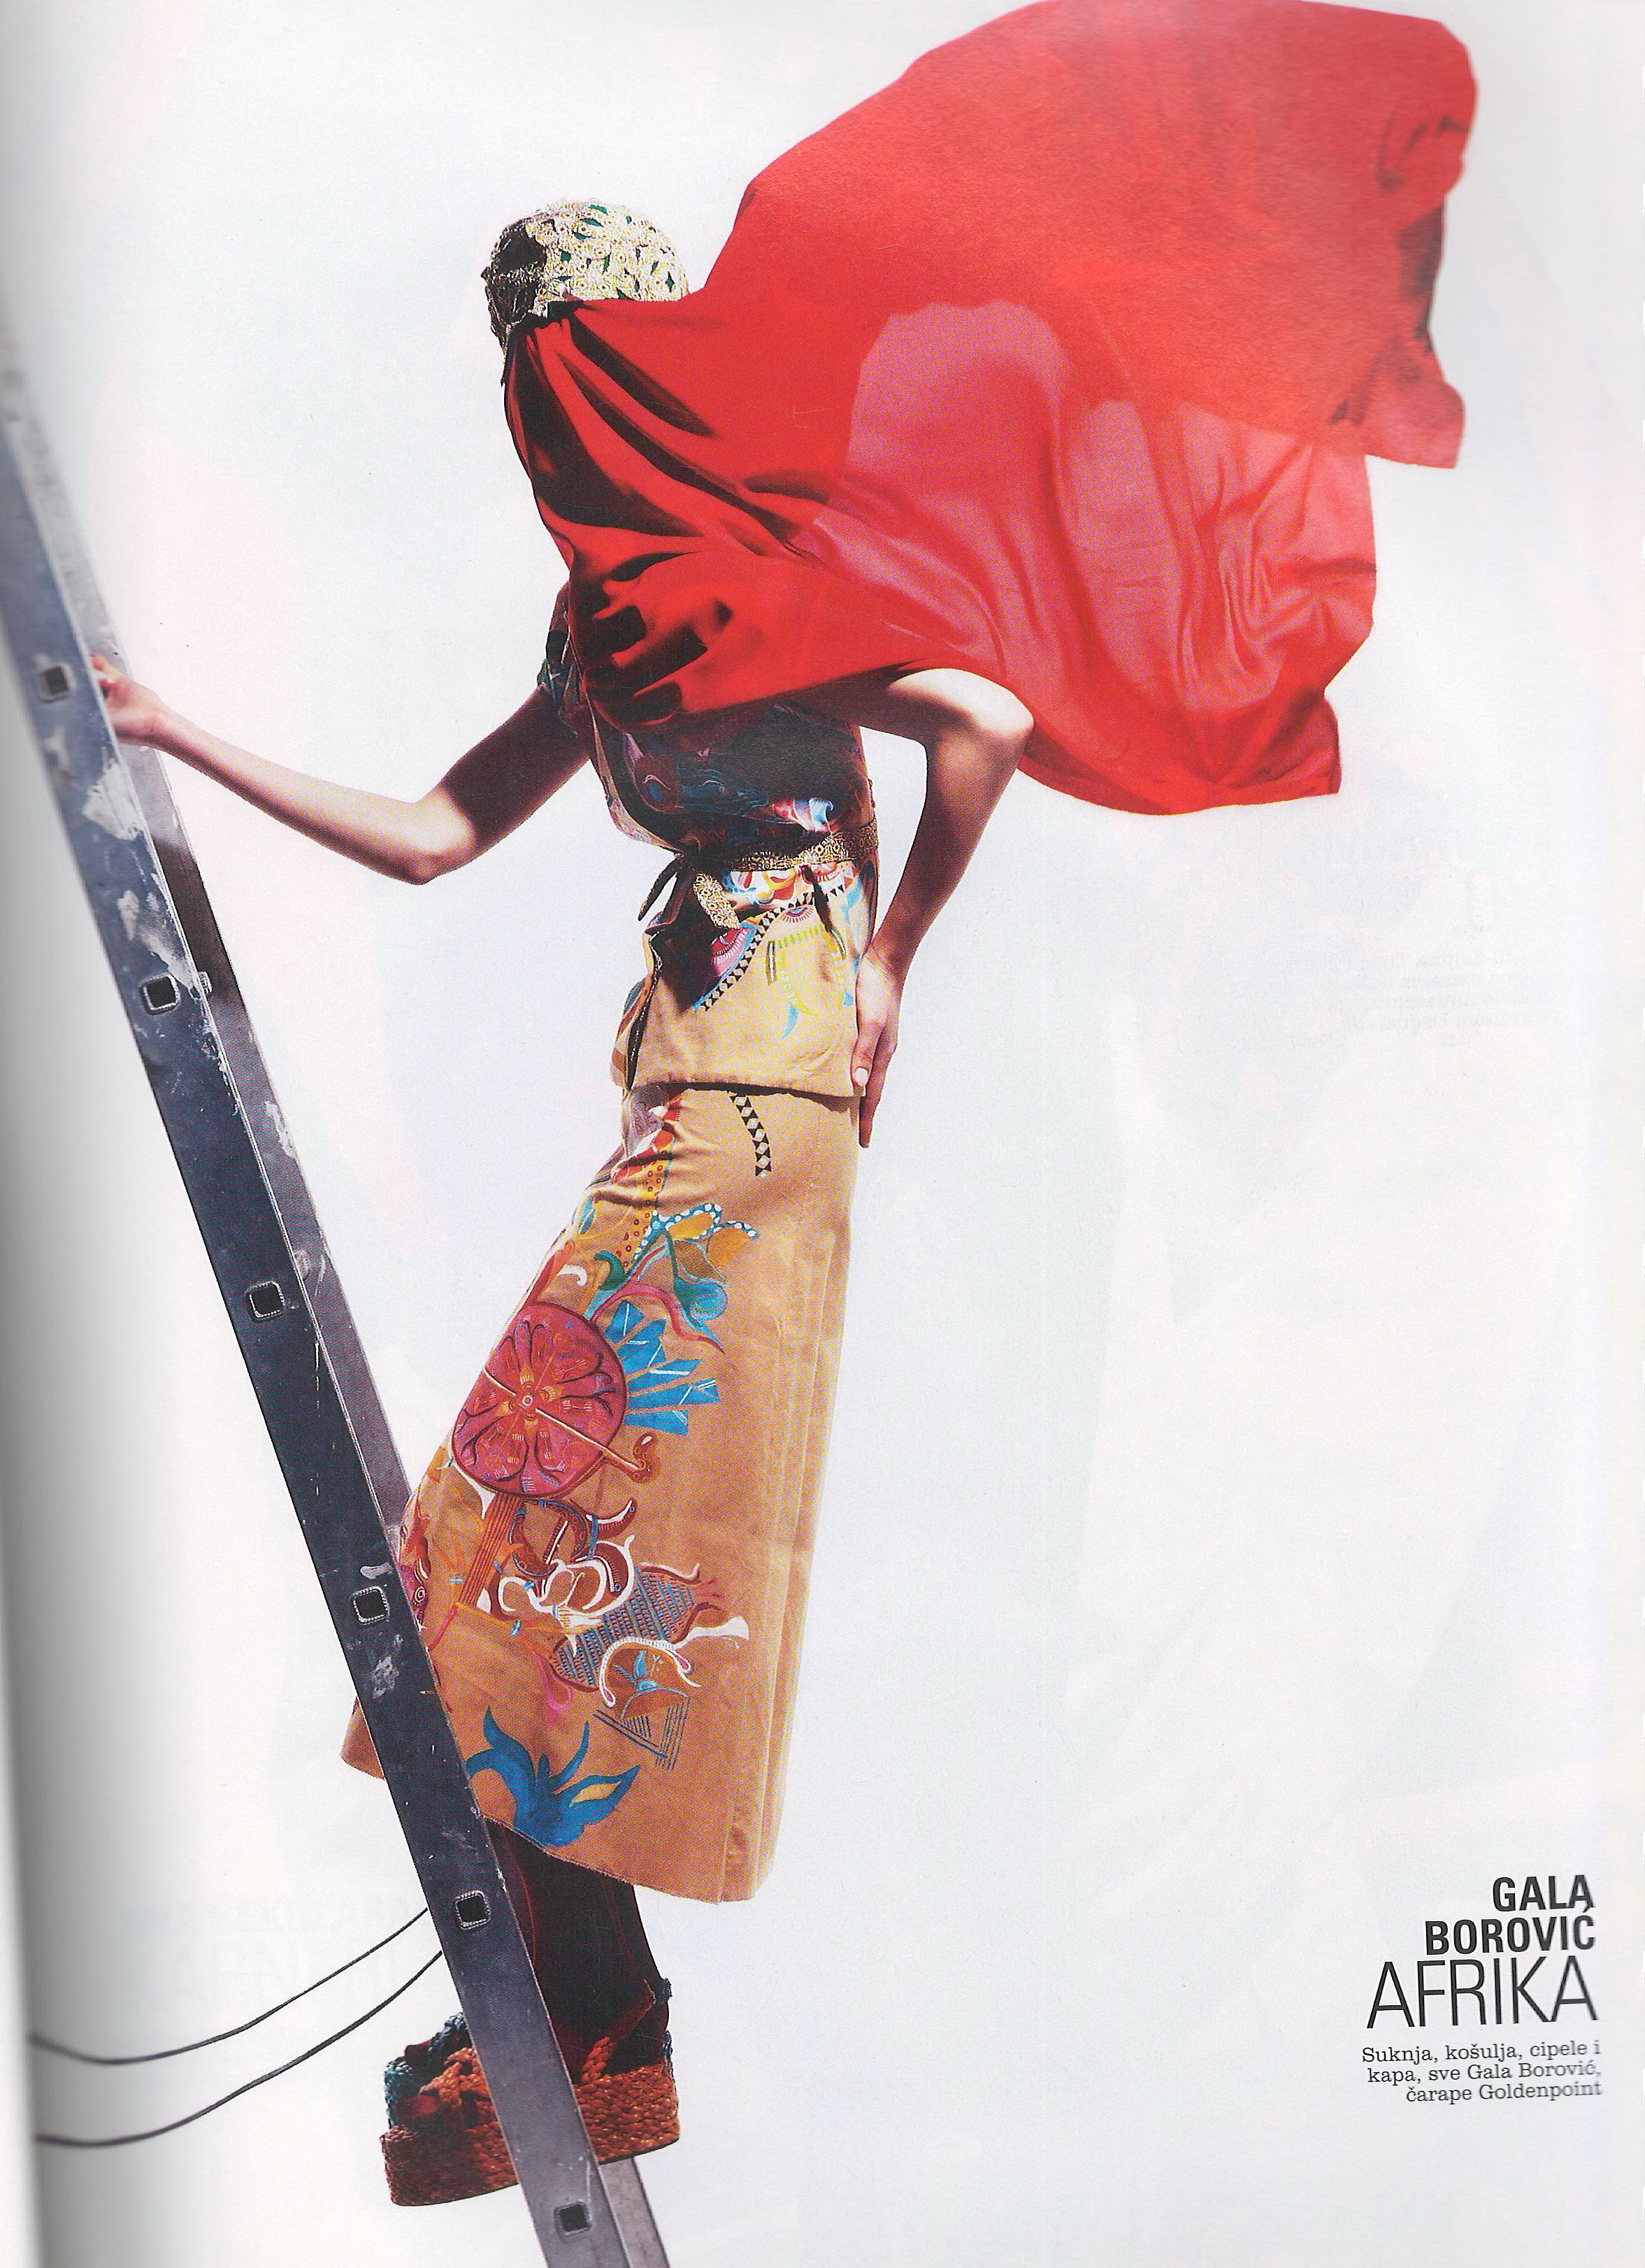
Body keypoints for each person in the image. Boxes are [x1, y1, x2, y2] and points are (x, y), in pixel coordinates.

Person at [91, 0, 1473, 2208]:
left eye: (576, 364)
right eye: (531, 375)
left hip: (761, 1106)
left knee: (511, 1539)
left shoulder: (760, 576)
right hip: (696, 1092)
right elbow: (437, 834)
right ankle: (599, 2021)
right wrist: (179, 732)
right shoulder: (610, 623)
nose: (550, 404)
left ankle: (599, 2020)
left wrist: (897, 951)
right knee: (514, 1563)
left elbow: (983, 714)